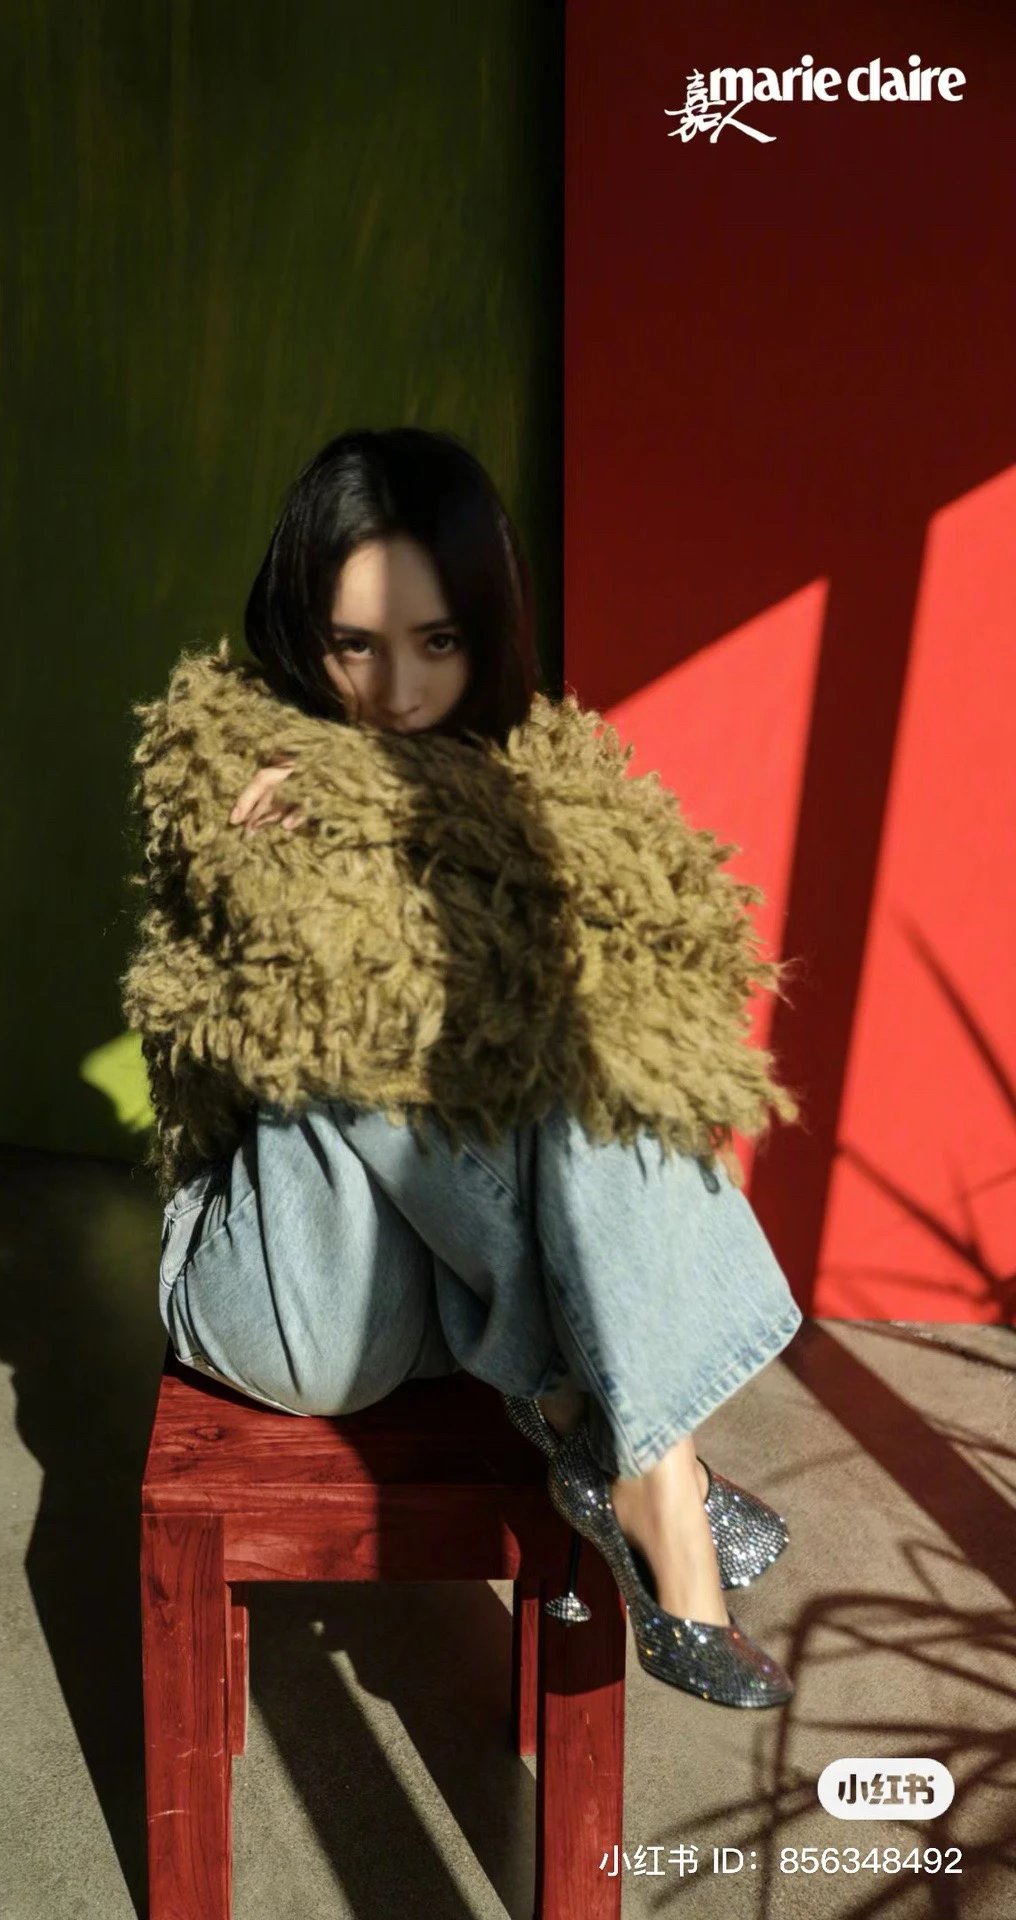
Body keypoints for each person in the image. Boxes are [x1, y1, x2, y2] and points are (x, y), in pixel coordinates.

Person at [143, 426, 803, 1709]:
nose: (394, 691)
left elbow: (652, 968)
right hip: (275, 1281)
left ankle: (626, 1456)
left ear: (486, 628)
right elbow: (322, 974)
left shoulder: (542, 782)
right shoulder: (231, 765)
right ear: (298, 633)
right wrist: (361, 804)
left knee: (581, 1021)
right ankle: (636, 1462)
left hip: (438, 1297)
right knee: (372, 1010)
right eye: (353, 646)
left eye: (435, 641)